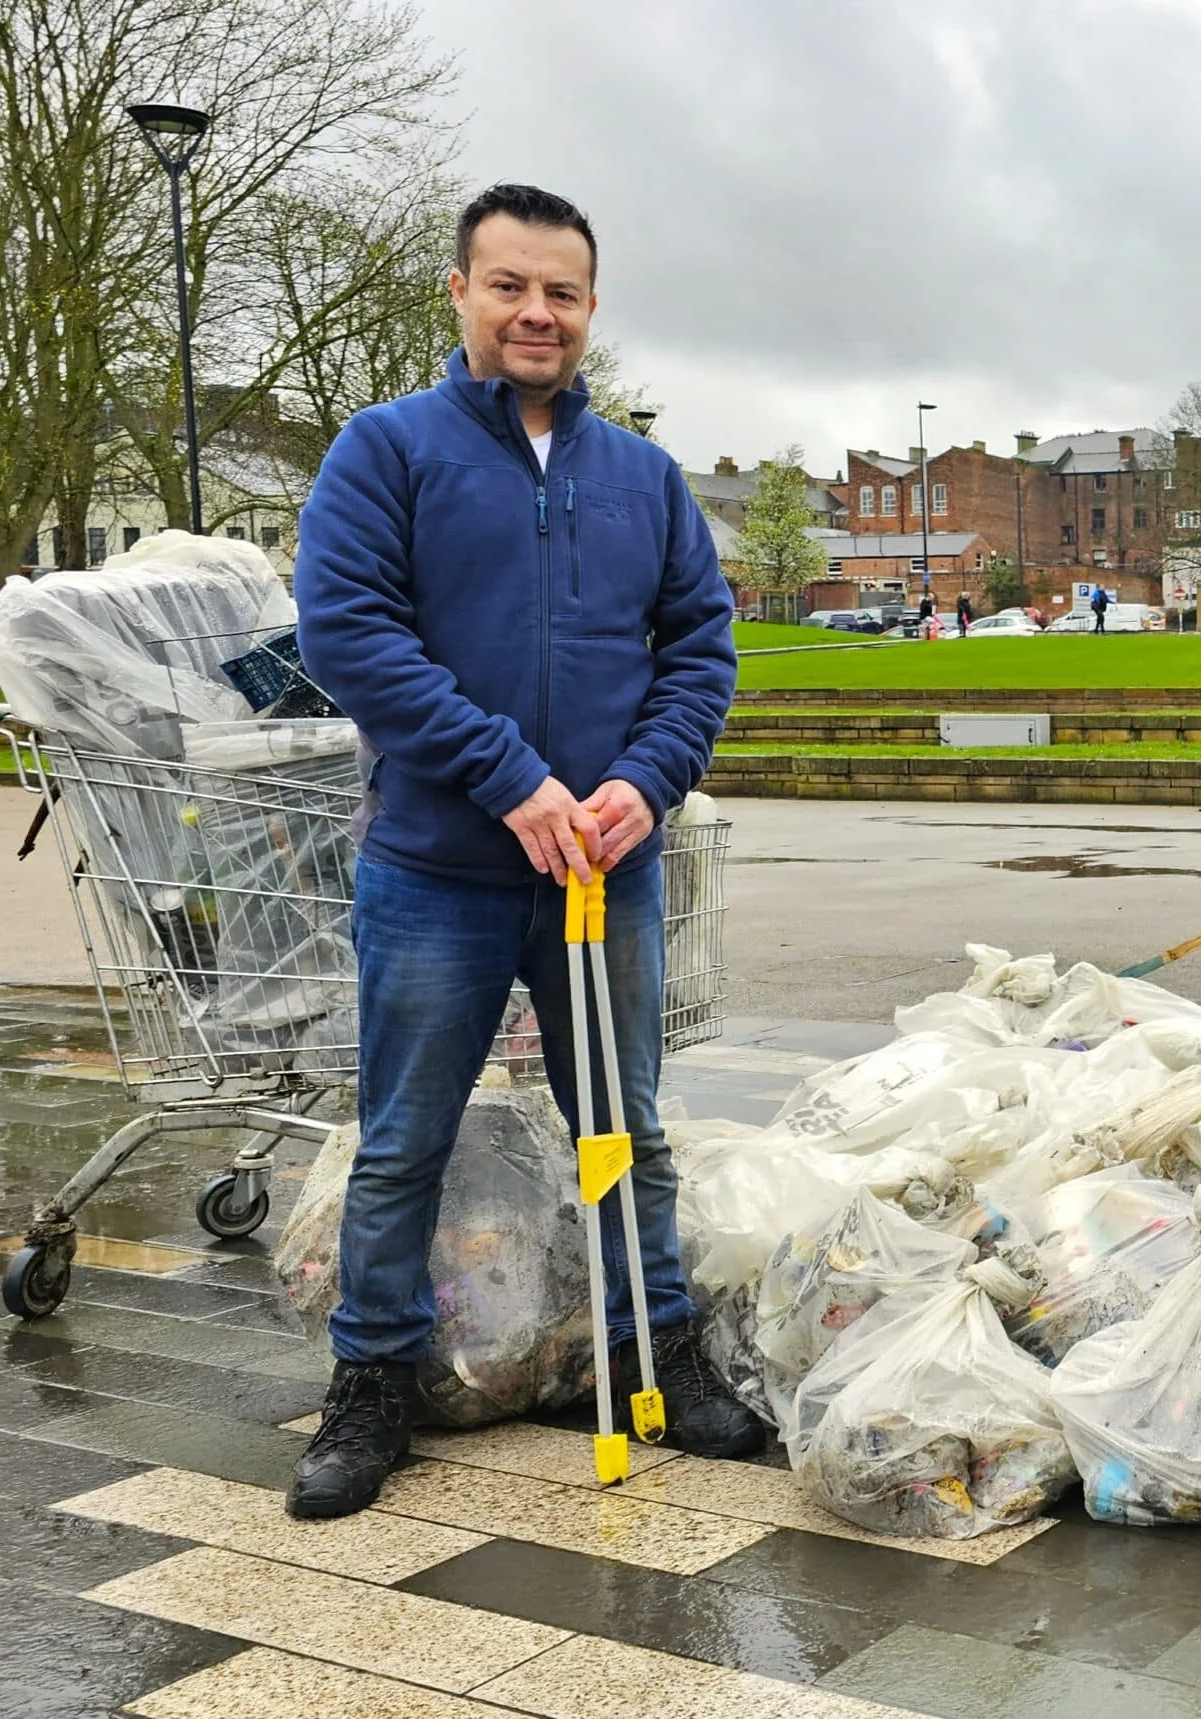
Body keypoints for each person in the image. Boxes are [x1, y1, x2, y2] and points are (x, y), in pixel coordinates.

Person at [288, 184, 763, 1520]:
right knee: (402, 1143)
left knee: (629, 1128)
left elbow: (700, 653)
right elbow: (350, 634)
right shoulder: (388, 450)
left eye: (561, 291)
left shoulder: (642, 479)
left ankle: (655, 1344)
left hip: (602, 872)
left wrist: (642, 783)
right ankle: (371, 1378)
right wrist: (512, 780)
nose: (536, 312)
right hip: (438, 868)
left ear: (590, 308)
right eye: (509, 285)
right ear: (461, 292)